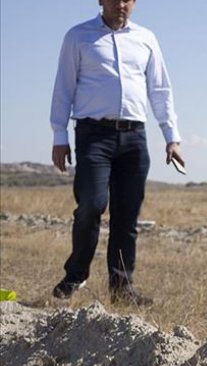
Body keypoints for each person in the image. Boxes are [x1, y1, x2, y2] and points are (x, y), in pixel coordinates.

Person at [50, 0, 185, 305]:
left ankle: (122, 289)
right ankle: (76, 274)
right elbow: (64, 86)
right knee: (92, 203)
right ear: (100, 1)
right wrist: (59, 134)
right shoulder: (78, 36)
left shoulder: (146, 38)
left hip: (134, 138)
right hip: (93, 135)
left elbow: (160, 89)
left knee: (126, 216)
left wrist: (171, 137)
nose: (121, 4)